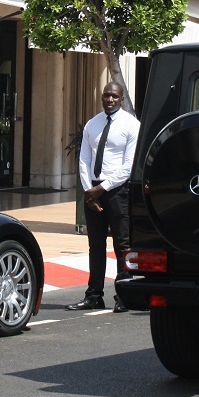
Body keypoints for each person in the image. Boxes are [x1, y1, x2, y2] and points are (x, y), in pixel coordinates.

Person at [68, 81, 140, 312]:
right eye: (106, 96)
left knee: (122, 245)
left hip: (117, 191)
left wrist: (102, 189)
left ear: (121, 99)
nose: (110, 100)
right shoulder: (93, 124)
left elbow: (128, 166)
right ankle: (94, 295)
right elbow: (84, 160)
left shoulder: (131, 125)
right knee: (95, 246)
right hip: (93, 192)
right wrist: (90, 191)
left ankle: (124, 296)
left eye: (114, 97)